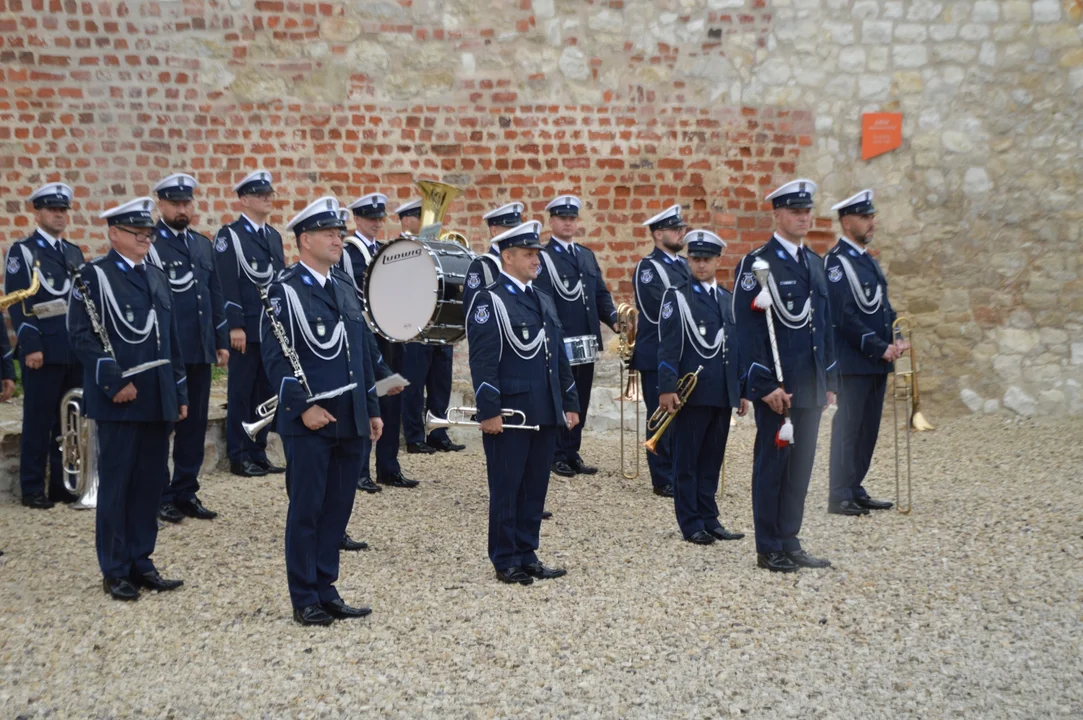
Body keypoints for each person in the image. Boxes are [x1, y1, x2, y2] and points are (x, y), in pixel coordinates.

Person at [261, 196, 382, 625]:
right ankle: (304, 596)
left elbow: (361, 354)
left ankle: (327, 586)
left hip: (349, 415)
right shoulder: (284, 290)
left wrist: (372, 408)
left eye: (340, 233)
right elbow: (275, 356)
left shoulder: (345, 286)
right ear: (305, 239)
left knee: (338, 507)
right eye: (330, 234)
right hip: (310, 419)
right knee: (308, 508)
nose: (338, 239)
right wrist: (301, 409)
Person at [67, 197, 188, 600]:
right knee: (118, 483)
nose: (146, 240)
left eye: (149, 234)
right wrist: (113, 381)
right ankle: (115, 568)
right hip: (120, 396)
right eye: (138, 234)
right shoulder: (93, 277)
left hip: (156, 396)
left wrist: (179, 390)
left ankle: (142, 560)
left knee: (150, 482)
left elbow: (169, 339)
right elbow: (81, 335)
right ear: (114, 233)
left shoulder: (156, 276)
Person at [732, 179, 838, 573]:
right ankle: (769, 545)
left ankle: (791, 539)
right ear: (776, 214)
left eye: (807, 211)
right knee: (773, 466)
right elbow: (746, 330)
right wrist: (762, 387)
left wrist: (830, 381)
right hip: (779, 386)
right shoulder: (758, 264)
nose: (803, 217)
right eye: (795, 211)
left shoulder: (813, 262)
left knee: (801, 467)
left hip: (809, 386)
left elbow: (824, 328)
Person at [467, 220, 579, 585]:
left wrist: (569, 401)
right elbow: (483, 360)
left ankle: (527, 552)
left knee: (535, 487)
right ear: (508, 256)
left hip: (544, 408)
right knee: (507, 485)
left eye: (536, 254)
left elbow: (557, 357)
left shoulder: (542, 298)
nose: (536, 260)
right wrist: (489, 411)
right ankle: (505, 557)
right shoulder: (491, 299)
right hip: (511, 412)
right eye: (529, 254)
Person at [147, 173, 230, 524]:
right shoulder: (151, 244)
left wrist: (221, 341)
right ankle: (159, 494)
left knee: (194, 425)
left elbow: (215, 295)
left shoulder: (201, 244)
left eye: (186, 203)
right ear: (161, 205)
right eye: (175, 203)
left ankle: (186, 490)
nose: (182, 209)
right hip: (167, 351)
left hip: (198, 349)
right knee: (165, 423)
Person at [657, 229, 748, 544]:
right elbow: (668, 345)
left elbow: (735, 349)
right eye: (694, 258)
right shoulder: (678, 296)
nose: (700, 265)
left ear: (718, 260)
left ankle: (710, 518)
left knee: (712, 459)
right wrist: (667, 387)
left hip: (721, 391)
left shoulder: (726, 299)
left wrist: (742, 389)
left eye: (706, 259)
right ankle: (691, 522)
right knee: (688, 461)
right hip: (691, 394)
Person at [4, 182, 85, 509]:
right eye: (53, 209)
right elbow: (17, 302)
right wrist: (31, 344)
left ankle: (63, 486)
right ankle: (32, 488)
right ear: (37, 212)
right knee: (38, 421)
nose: (59, 215)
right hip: (43, 351)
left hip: (73, 350)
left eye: (63, 210)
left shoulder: (73, 252)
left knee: (70, 423)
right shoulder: (23, 251)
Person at [825, 190, 904, 516]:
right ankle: (839, 493)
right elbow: (844, 315)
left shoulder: (867, 259)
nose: (872, 222)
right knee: (849, 427)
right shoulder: (836, 263)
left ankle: (855, 486)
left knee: (868, 428)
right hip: (854, 361)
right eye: (864, 217)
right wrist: (878, 346)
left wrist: (897, 335)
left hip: (876, 360)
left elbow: (882, 308)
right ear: (847, 222)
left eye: (872, 216)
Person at [533, 195, 619, 478]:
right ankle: (555, 453)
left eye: (572, 219)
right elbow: (544, 300)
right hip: (562, 340)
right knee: (561, 396)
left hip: (586, 339)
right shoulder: (544, 258)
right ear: (552, 221)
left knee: (580, 397)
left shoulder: (585, 255)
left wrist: (616, 320)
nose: (568, 223)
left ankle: (572, 451)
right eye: (562, 218)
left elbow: (599, 295)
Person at [343, 192, 420, 489]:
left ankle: (388, 466)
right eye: (370, 218)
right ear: (357, 219)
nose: (376, 224)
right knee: (366, 400)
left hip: (389, 334)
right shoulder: (350, 252)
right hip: (366, 334)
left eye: (379, 219)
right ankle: (361, 470)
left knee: (391, 397)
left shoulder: (385, 250)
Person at [214, 170, 286, 478]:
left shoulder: (273, 236)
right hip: (246, 328)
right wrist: (235, 326)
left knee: (266, 393)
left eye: (269, 194)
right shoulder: (229, 236)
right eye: (260, 195)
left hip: (269, 329)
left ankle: (257, 451)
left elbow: (278, 283)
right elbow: (226, 283)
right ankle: (238, 454)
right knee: (241, 392)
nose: (268, 198)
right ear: (244, 200)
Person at [632, 204, 691, 498]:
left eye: (682, 228)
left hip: (683, 352)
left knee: (683, 417)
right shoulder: (648, 268)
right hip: (657, 352)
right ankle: (663, 478)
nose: (681, 233)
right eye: (674, 229)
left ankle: (680, 472)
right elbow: (658, 311)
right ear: (658, 234)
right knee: (661, 416)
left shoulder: (684, 265)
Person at [462, 202, 524, 313]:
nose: (516, 233)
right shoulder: (482, 266)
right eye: (510, 228)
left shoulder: (523, 262)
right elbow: (474, 312)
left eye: (518, 229)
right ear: (494, 231)